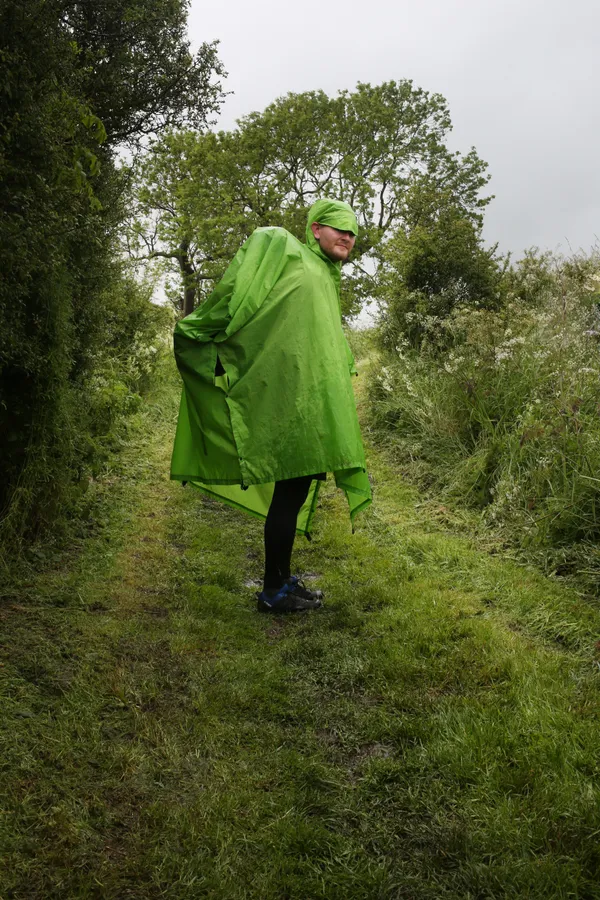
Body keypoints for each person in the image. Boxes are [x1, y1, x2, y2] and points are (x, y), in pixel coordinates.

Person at [171, 198, 372, 613]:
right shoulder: (285, 248)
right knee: (289, 494)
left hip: (315, 406)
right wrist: (204, 332)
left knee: (292, 494)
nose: (348, 238)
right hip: (289, 406)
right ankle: (273, 591)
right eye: (339, 229)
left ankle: (280, 579)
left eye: (353, 232)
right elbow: (241, 298)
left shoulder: (325, 275)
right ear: (315, 229)